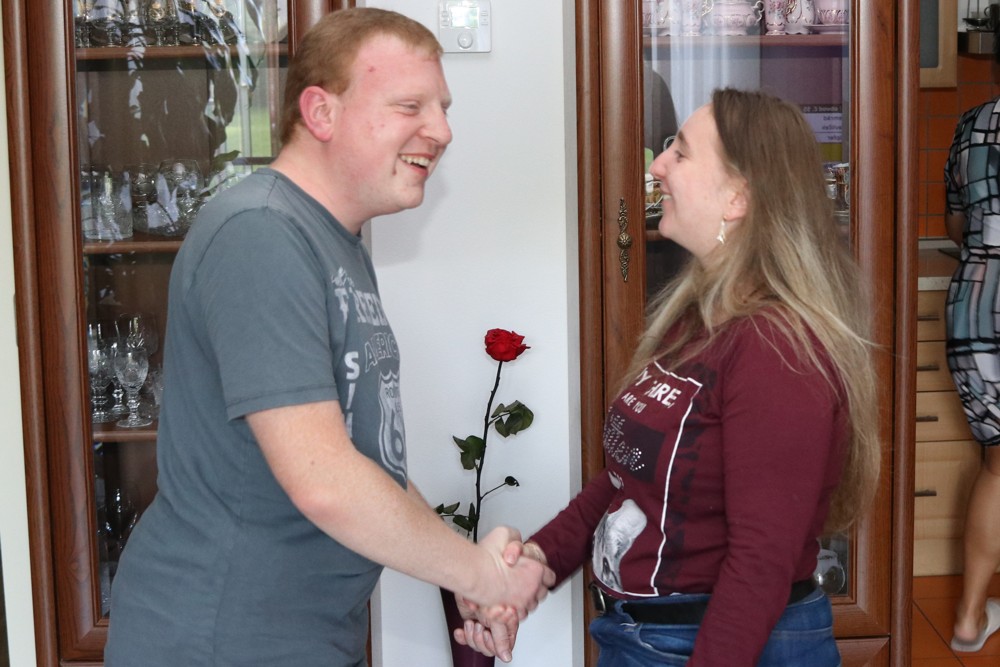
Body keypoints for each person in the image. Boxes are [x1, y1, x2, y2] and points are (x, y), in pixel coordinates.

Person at [104, 8, 551, 666]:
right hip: (222, 638)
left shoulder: (333, 242)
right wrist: (482, 575)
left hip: (297, 636)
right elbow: (325, 480)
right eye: (410, 106)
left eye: (443, 108)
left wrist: (463, 572)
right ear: (321, 112)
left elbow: (367, 463)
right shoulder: (260, 233)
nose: (442, 130)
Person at [459, 88, 881, 665]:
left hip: (710, 644)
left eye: (679, 153)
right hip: (646, 638)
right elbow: (625, 481)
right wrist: (536, 563)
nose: (657, 165)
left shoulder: (776, 349)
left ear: (738, 197)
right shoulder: (698, 318)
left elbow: (761, 561)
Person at [943, 89, 1000, 653]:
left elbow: (956, 224)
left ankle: (968, 618)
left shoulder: (972, 123)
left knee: (998, 465)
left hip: (976, 305)